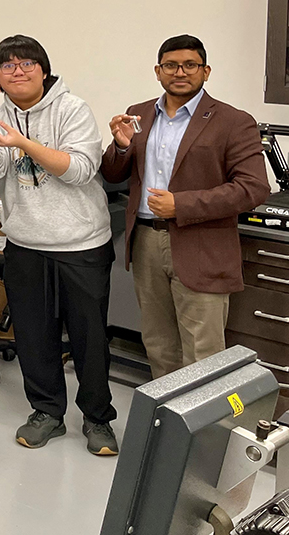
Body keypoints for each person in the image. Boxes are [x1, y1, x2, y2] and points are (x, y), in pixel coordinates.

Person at [0, 35, 119, 456]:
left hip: (81, 244)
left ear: (44, 68)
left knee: (89, 339)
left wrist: (23, 143)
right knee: (34, 336)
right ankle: (47, 412)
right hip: (25, 242)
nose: (17, 70)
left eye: (26, 62)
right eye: (7, 65)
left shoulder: (72, 109)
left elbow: (80, 170)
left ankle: (98, 419)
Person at [101, 34, 269, 379]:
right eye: (171, 65)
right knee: (159, 344)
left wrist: (182, 204)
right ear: (157, 71)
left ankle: (204, 432)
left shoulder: (234, 121)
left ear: (205, 71)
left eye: (190, 65)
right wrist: (120, 147)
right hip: (146, 241)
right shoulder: (139, 114)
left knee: (203, 351)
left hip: (202, 244)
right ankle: (168, 427)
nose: (180, 72)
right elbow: (113, 172)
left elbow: (253, 188)